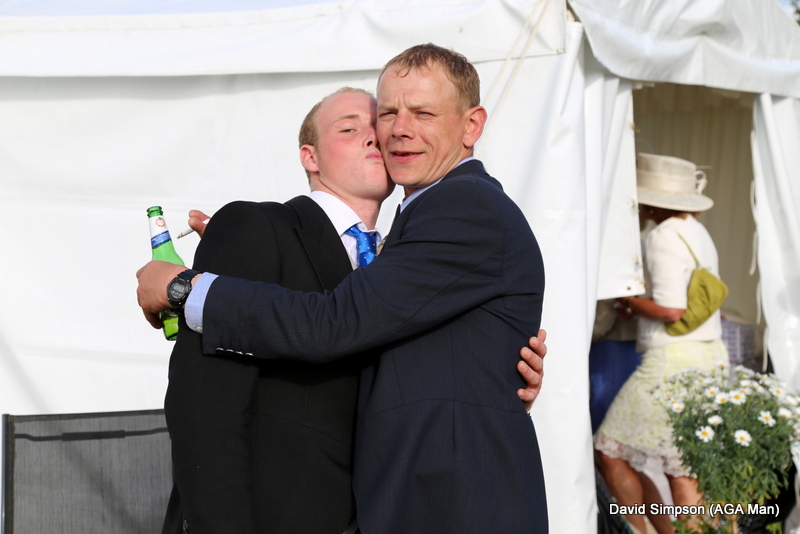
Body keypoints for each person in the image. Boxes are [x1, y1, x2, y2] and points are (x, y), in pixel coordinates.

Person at [137, 44, 548, 533]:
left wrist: (185, 288)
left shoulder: (459, 209)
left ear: (471, 125)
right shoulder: (269, 229)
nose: (392, 132)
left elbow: (335, 324)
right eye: (382, 117)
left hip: (450, 509)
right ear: (308, 156)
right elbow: (205, 408)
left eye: (423, 113)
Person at [594, 153, 730, 534]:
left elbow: (671, 310)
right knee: (681, 465)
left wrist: (628, 301)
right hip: (708, 356)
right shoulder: (696, 231)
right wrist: (641, 307)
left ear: (652, 201)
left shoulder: (661, 236)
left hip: (673, 361)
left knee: (609, 450)